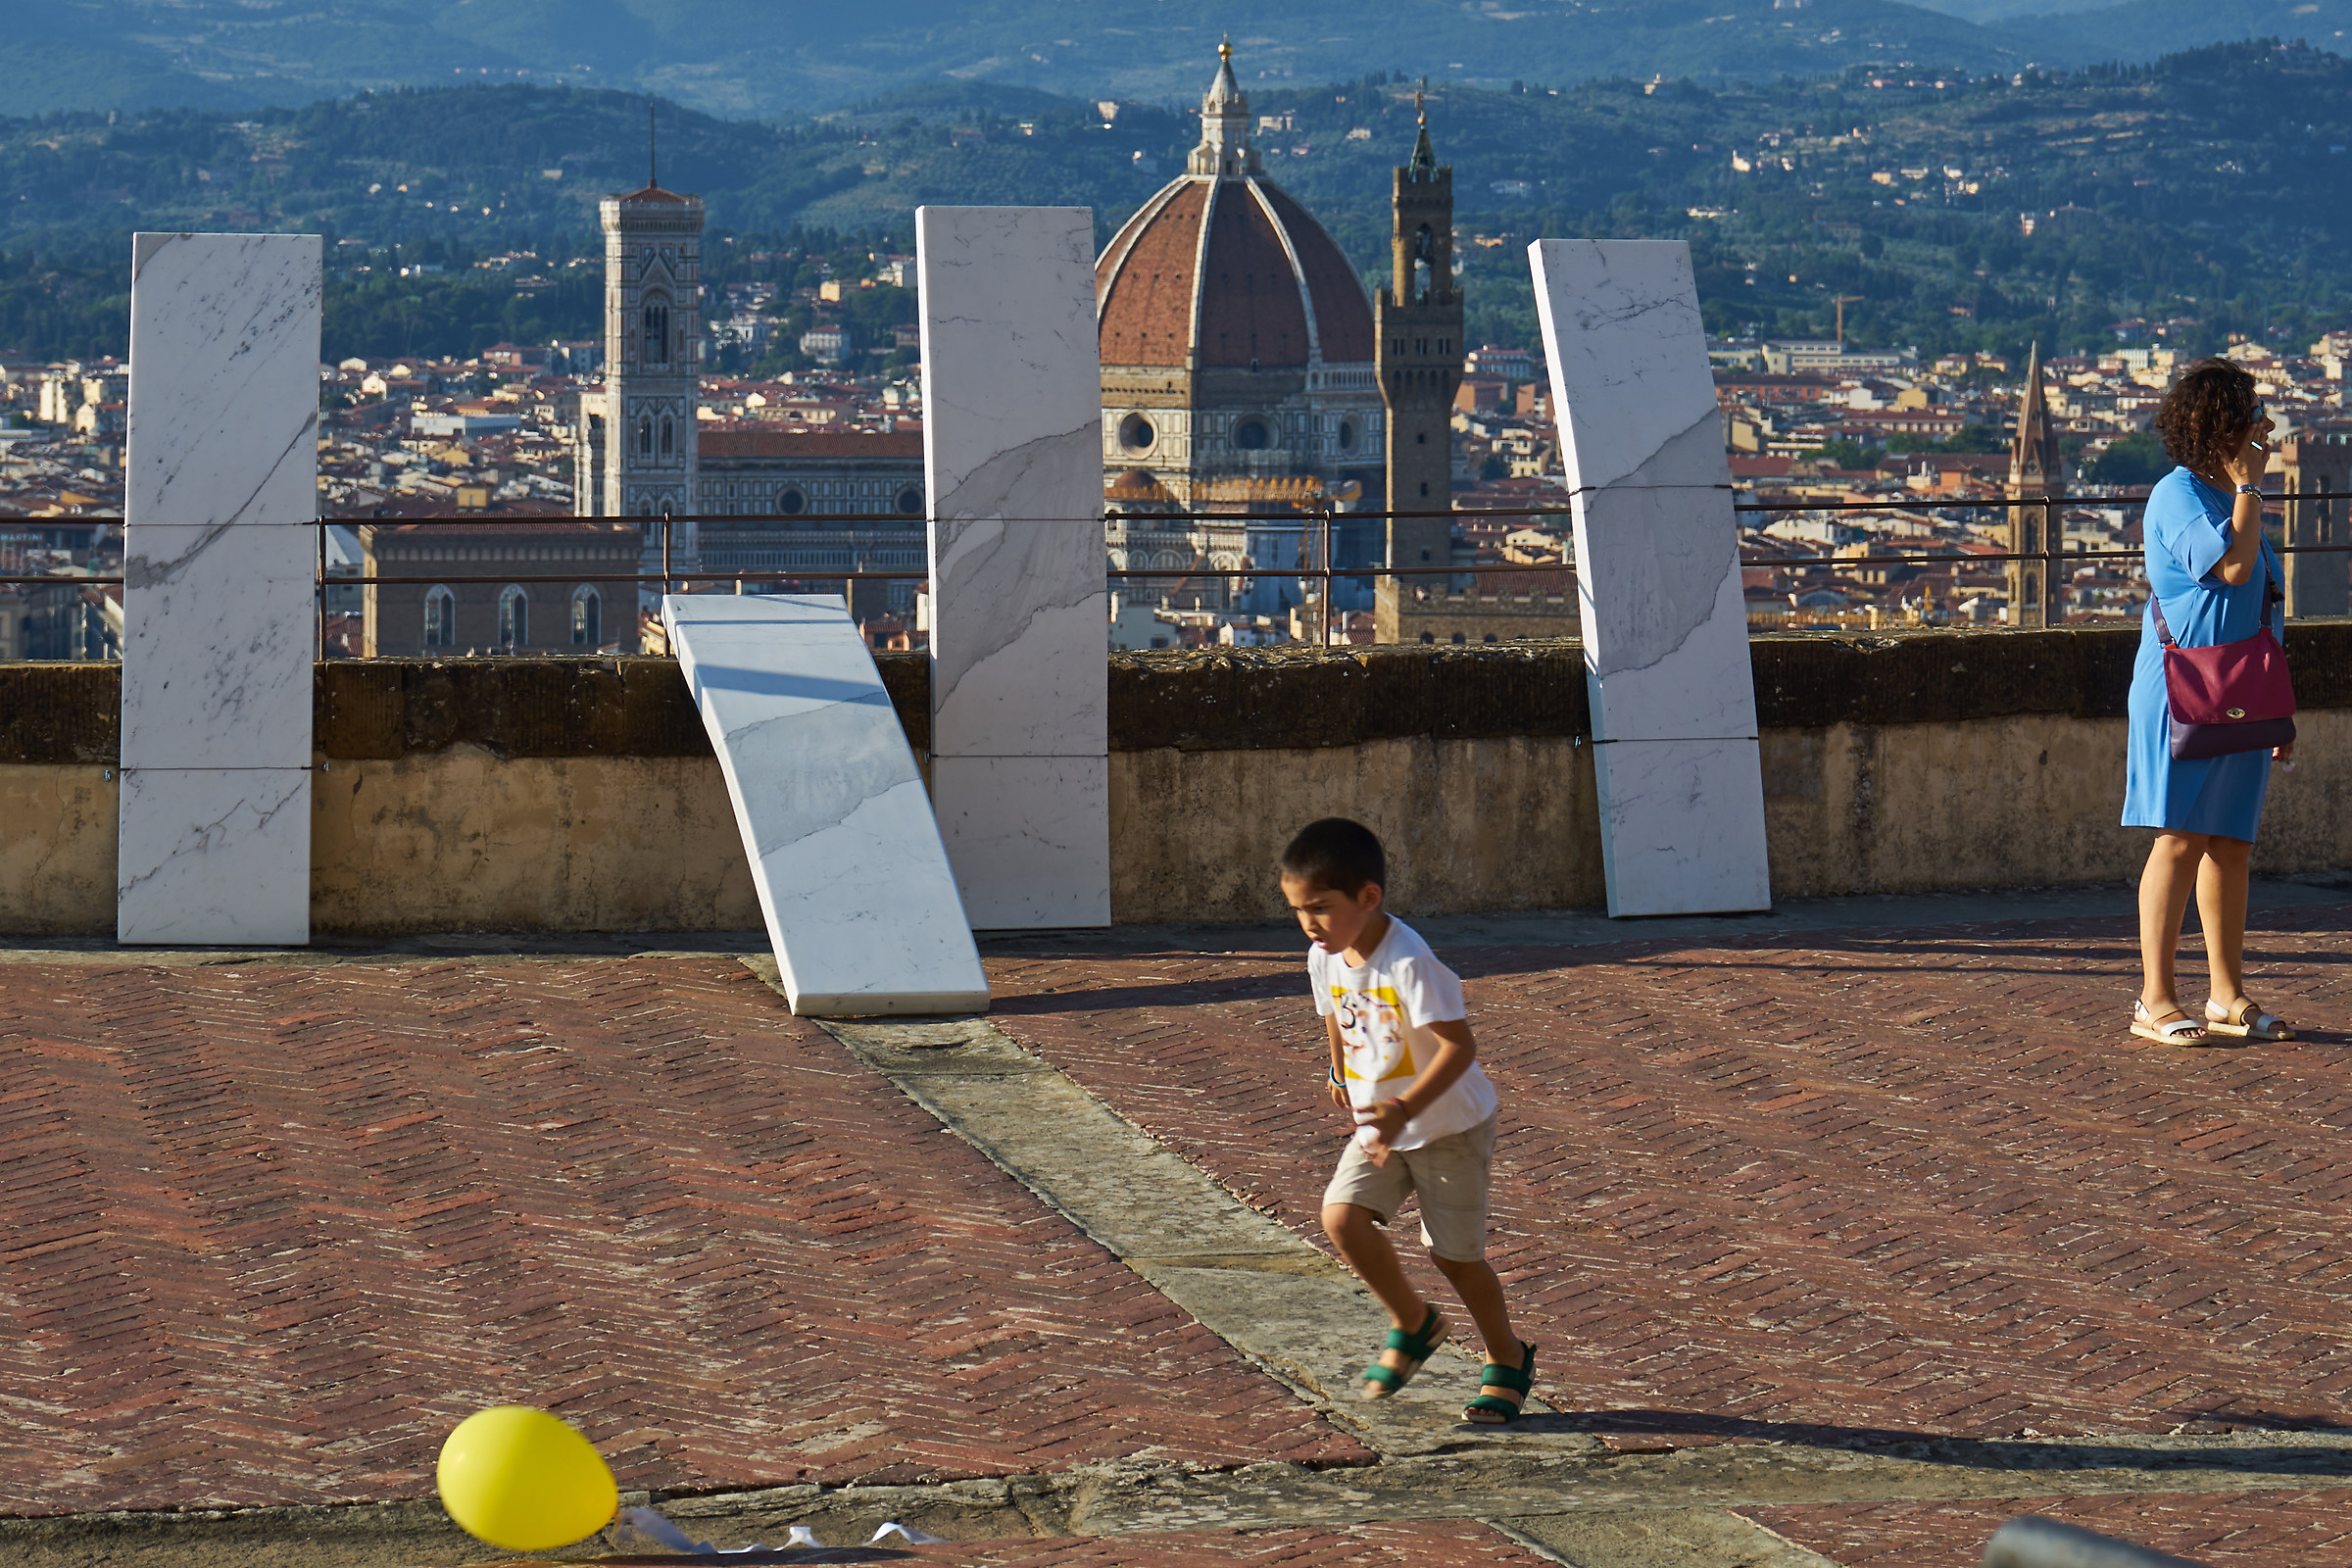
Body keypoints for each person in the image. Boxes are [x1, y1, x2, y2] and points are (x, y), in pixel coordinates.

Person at [1278, 816, 1536, 1424]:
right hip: (1384, 1125)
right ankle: (1413, 1322)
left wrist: (1402, 1110)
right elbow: (1334, 1014)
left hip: (1448, 1126)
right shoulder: (1327, 953)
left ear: (1368, 898)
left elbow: (1458, 1049)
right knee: (1341, 1217)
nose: (1309, 923)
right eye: (1296, 910)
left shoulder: (1409, 962)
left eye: (1320, 907)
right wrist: (1342, 1074)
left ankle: (1507, 1355)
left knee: (1454, 1257)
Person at [2123, 357, 2297, 1046]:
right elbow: (2232, 567)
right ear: (2219, 426)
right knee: (2179, 839)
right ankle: (2154, 1000)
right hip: (2180, 690)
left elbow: (2263, 608)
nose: (2263, 429)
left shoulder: (2233, 497)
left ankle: (2227, 996)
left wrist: (2280, 705)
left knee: (2230, 844)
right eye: (2252, 418)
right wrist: (2250, 486)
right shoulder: (2180, 496)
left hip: (2243, 691)